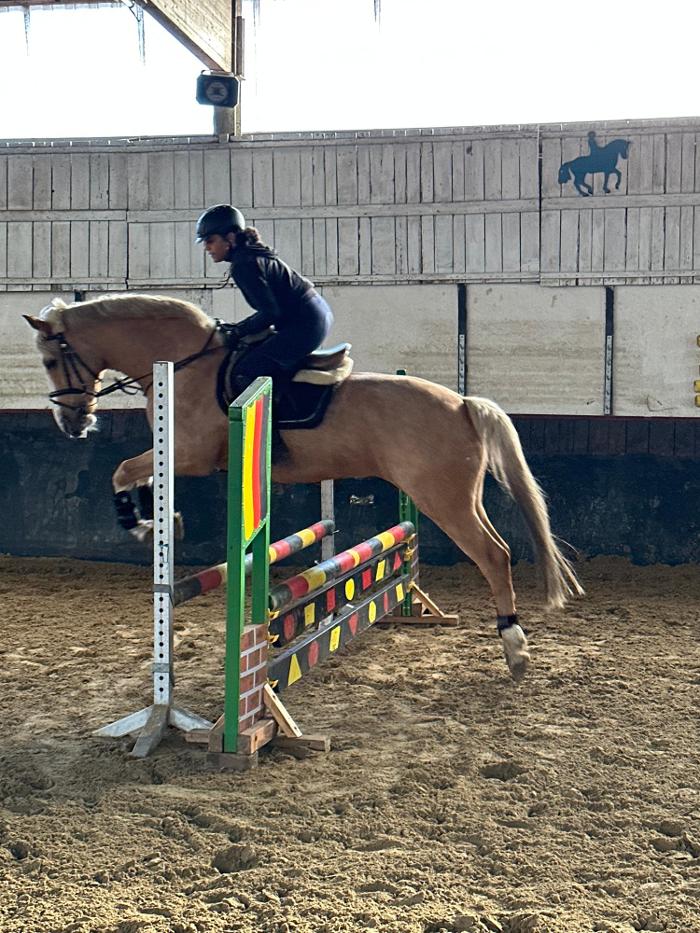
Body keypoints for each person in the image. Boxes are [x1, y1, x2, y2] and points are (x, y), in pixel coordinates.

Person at [195, 204, 334, 395]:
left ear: (230, 237)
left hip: (306, 324)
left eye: (210, 241)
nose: (206, 248)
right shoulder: (249, 255)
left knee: (246, 371)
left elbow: (270, 313)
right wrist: (239, 328)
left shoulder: (243, 264)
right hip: (314, 316)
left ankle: (272, 423)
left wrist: (237, 331)